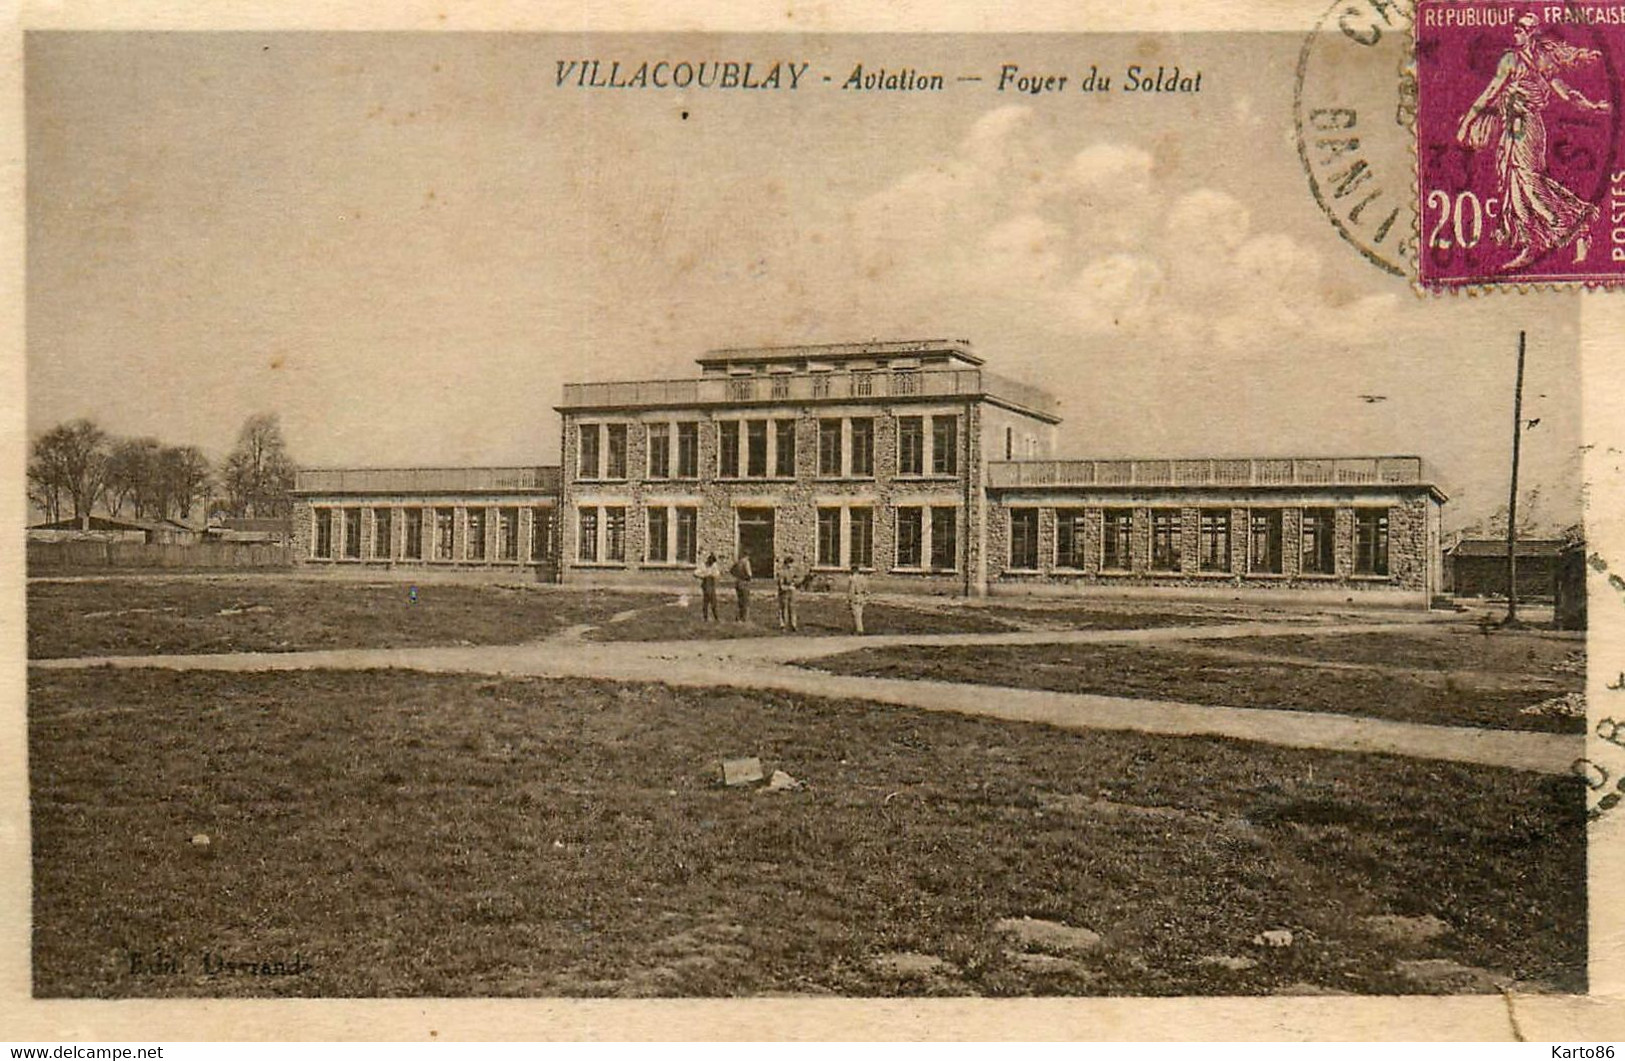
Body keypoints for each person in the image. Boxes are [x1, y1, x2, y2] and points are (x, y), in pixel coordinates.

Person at [1455, 13, 1611, 270]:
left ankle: (1577, 230)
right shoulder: (1511, 58)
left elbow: (1565, 92)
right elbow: (1492, 92)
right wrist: (1468, 121)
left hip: (1527, 129)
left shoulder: (1539, 60)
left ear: (1533, 33)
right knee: (1514, 187)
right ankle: (1530, 245)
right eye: (1515, 27)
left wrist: (1592, 106)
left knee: (1530, 185)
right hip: (1511, 129)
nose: (1516, 31)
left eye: (1522, 28)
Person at [693, 552, 721, 622]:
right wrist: (704, 575)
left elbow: (717, 574)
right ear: (708, 560)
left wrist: (713, 575)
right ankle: (705, 618)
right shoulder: (703, 565)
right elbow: (695, 573)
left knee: (714, 602)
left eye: (713, 561)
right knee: (706, 602)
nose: (711, 563)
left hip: (712, 584)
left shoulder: (714, 565)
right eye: (710, 561)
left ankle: (716, 617)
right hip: (705, 584)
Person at [776, 556, 799, 632]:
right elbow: (781, 585)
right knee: (784, 608)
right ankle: (783, 625)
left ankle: (793, 625)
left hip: (791, 592)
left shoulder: (792, 571)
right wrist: (789, 587)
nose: (791, 566)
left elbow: (796, 580)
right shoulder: (782, 572)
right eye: (790, 564)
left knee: (792, 608)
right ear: (786, 564)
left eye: (792, 564)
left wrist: (796, 582)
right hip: (784, 593)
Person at [847, 561, 869, 635]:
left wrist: (849, 599)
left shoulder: (852, 579)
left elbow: (851, 590)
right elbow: (867, 590)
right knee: (859, 614)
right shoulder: (863, 578)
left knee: (856, 615)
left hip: (855, 597)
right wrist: (866, 597)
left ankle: (859, 630)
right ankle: (856, 629)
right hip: (862, 597)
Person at [729, 552, 752, 621]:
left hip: (738, 582)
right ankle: (744, 618)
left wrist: (737, 575)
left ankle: (738, 617)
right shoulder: (746, 562)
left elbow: (731, 571)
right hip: (744, 582)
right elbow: (749, 574)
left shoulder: (738, 562)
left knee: (740, 601)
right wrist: (748, 578)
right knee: (745, 601)